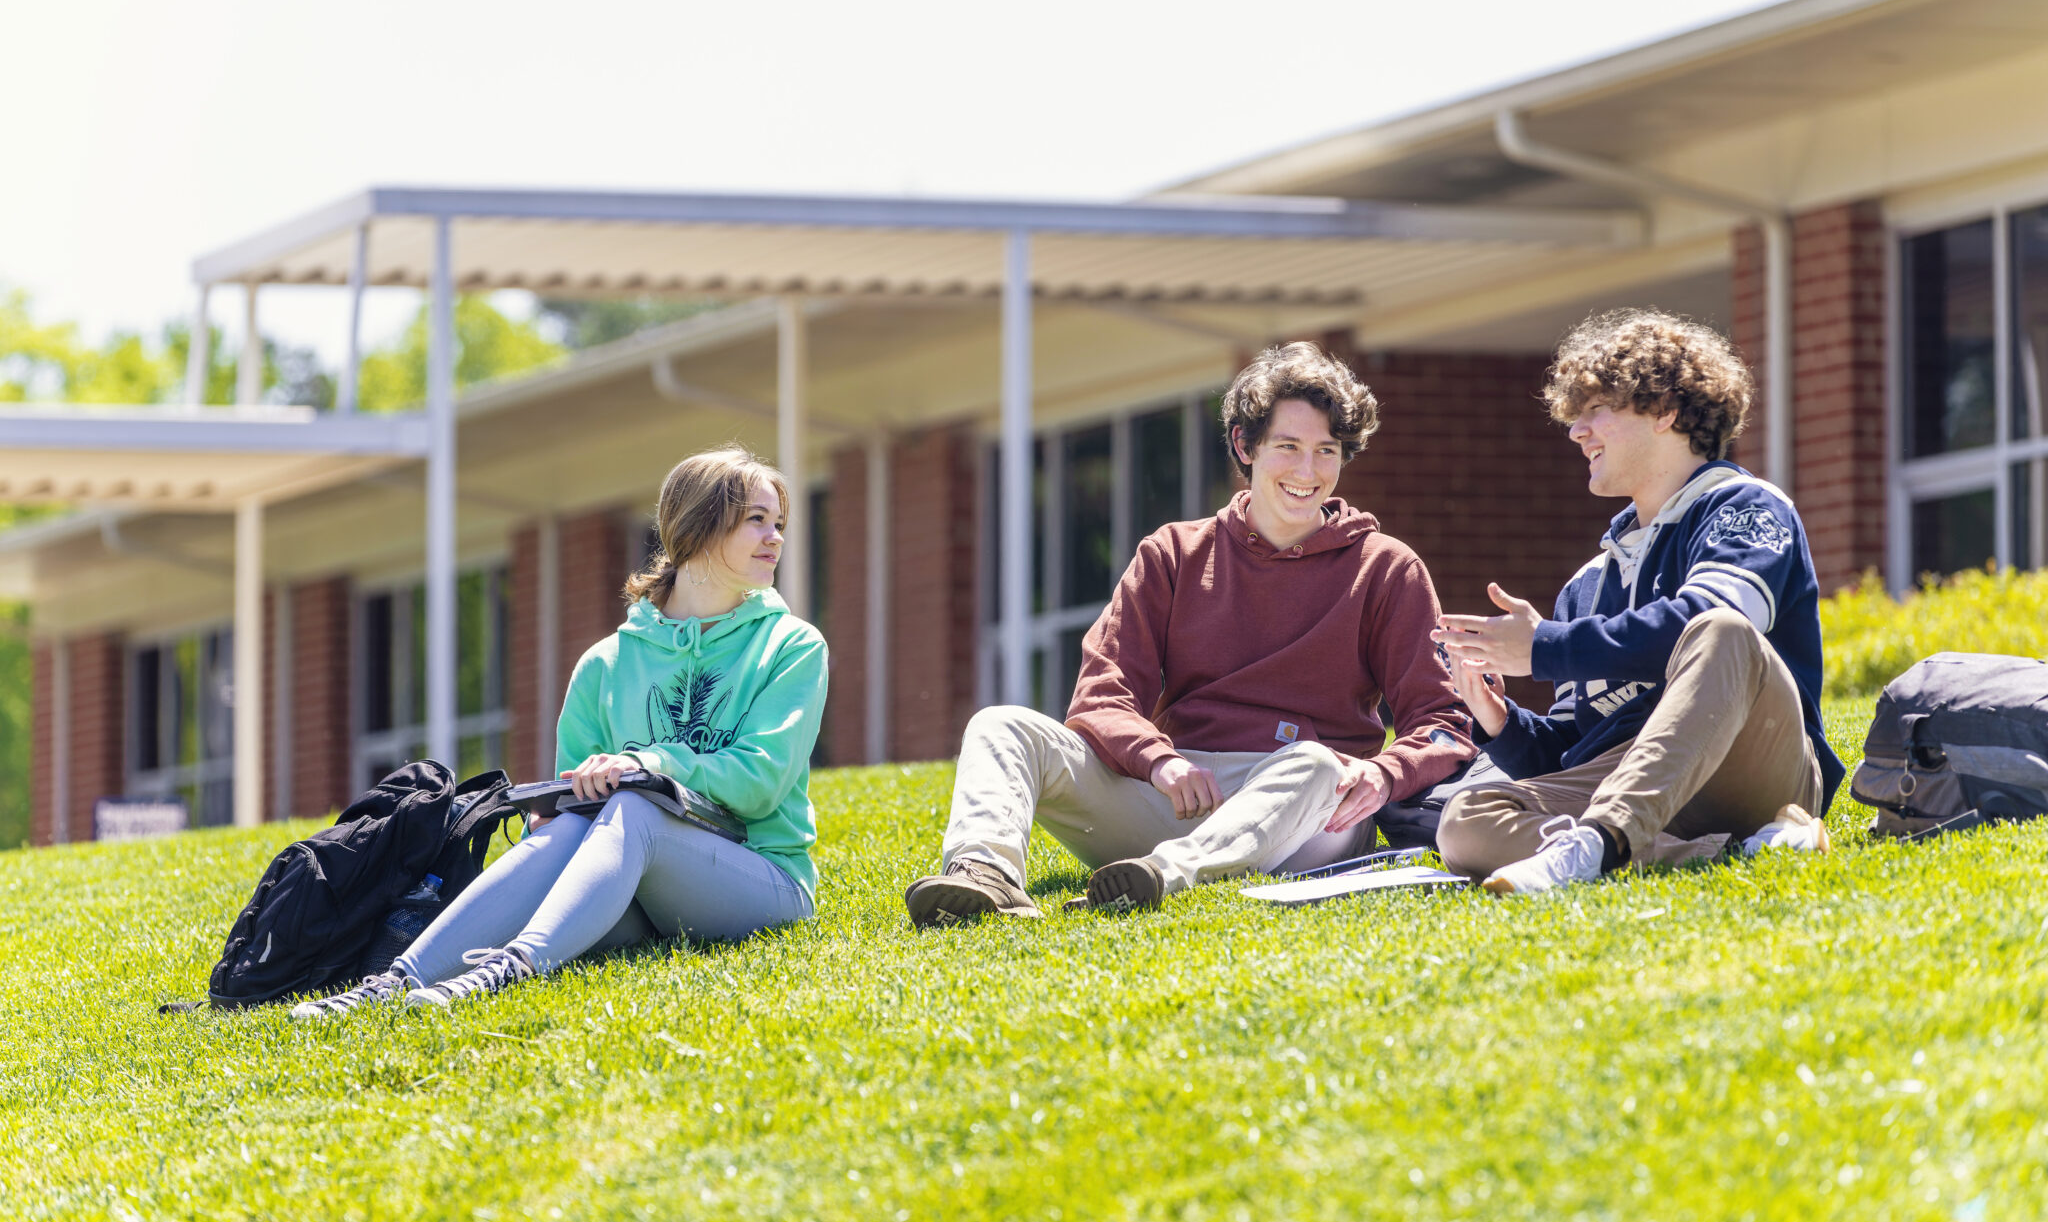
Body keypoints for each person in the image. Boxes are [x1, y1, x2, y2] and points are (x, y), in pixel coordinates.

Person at [905, 342, 1474, 925]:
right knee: (1000, 725)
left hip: (1306, 815)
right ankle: (984, 874)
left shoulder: (1386, 568)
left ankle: (1169, 875)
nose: (1307, 472)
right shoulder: (1173, 553)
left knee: (1319, 764)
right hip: (1180, 792)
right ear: (1244, 446)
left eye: (1326, 451)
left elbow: (1443, 722)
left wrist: (1383, 772)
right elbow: (1101, 695)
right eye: (1288, 447)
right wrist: (1160, 762)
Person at [293, 444, 827, 1016]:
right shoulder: (605, 664)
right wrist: (551, 812)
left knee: (638, 806)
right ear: (699, 524)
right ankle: (394, 982)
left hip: (761, 882)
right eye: (756, 521)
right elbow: (568, 808)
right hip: (636, 894)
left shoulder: (791, 645)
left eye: (779, 523)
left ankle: (507, 969)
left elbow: (762, 781)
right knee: (572, 824)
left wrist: (649, 766)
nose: (775, 538)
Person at [1431, 308, 1839, 895]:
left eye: (1597, 410)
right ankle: (1725, 852)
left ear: (1666, 412)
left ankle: (1593, 846)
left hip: (1751, 762)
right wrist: (1501, 722)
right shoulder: (1585, 586)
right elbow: (1572, 750)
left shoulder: (1747, 508)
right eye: (1575, 415)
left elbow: (1701, 623)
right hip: (1633, 785)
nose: (1576, 431)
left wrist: (1544, 646)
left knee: (1718, 629)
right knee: (1466, 821)